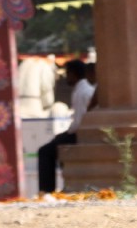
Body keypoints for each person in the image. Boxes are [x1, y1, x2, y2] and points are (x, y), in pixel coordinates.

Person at [36, 58, 94, 195]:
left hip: (79, 135)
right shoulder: (82, 90)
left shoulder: (83, 91)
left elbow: (79, 123)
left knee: (44, 151)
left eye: (68, 73)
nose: (66, 77)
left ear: (74, 74)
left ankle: (46, 190)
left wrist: (66, 134)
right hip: (79, 132)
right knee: (55, 145)